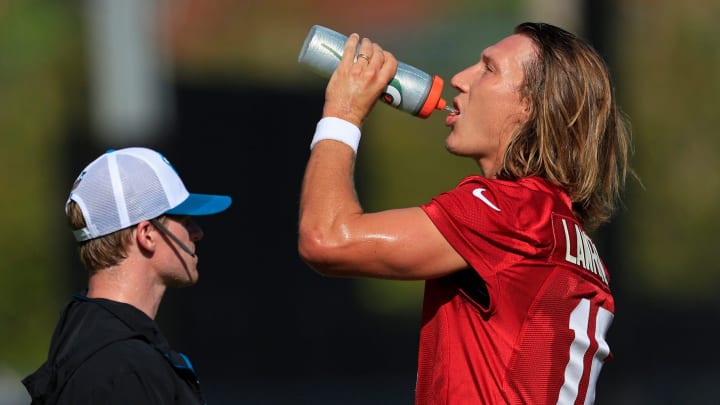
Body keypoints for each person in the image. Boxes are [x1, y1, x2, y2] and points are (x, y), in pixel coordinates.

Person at [298, 22, 633, 404]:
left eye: (489, 68)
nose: (460, 79)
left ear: (532, 106)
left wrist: (343, 112)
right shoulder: (569, 236)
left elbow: (326, 238)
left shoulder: (512, 212)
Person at [23, 147, 232, 404]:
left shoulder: (91, 344)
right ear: (147, 235)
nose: (198, 232)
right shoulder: (124, 368)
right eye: (185, 219)